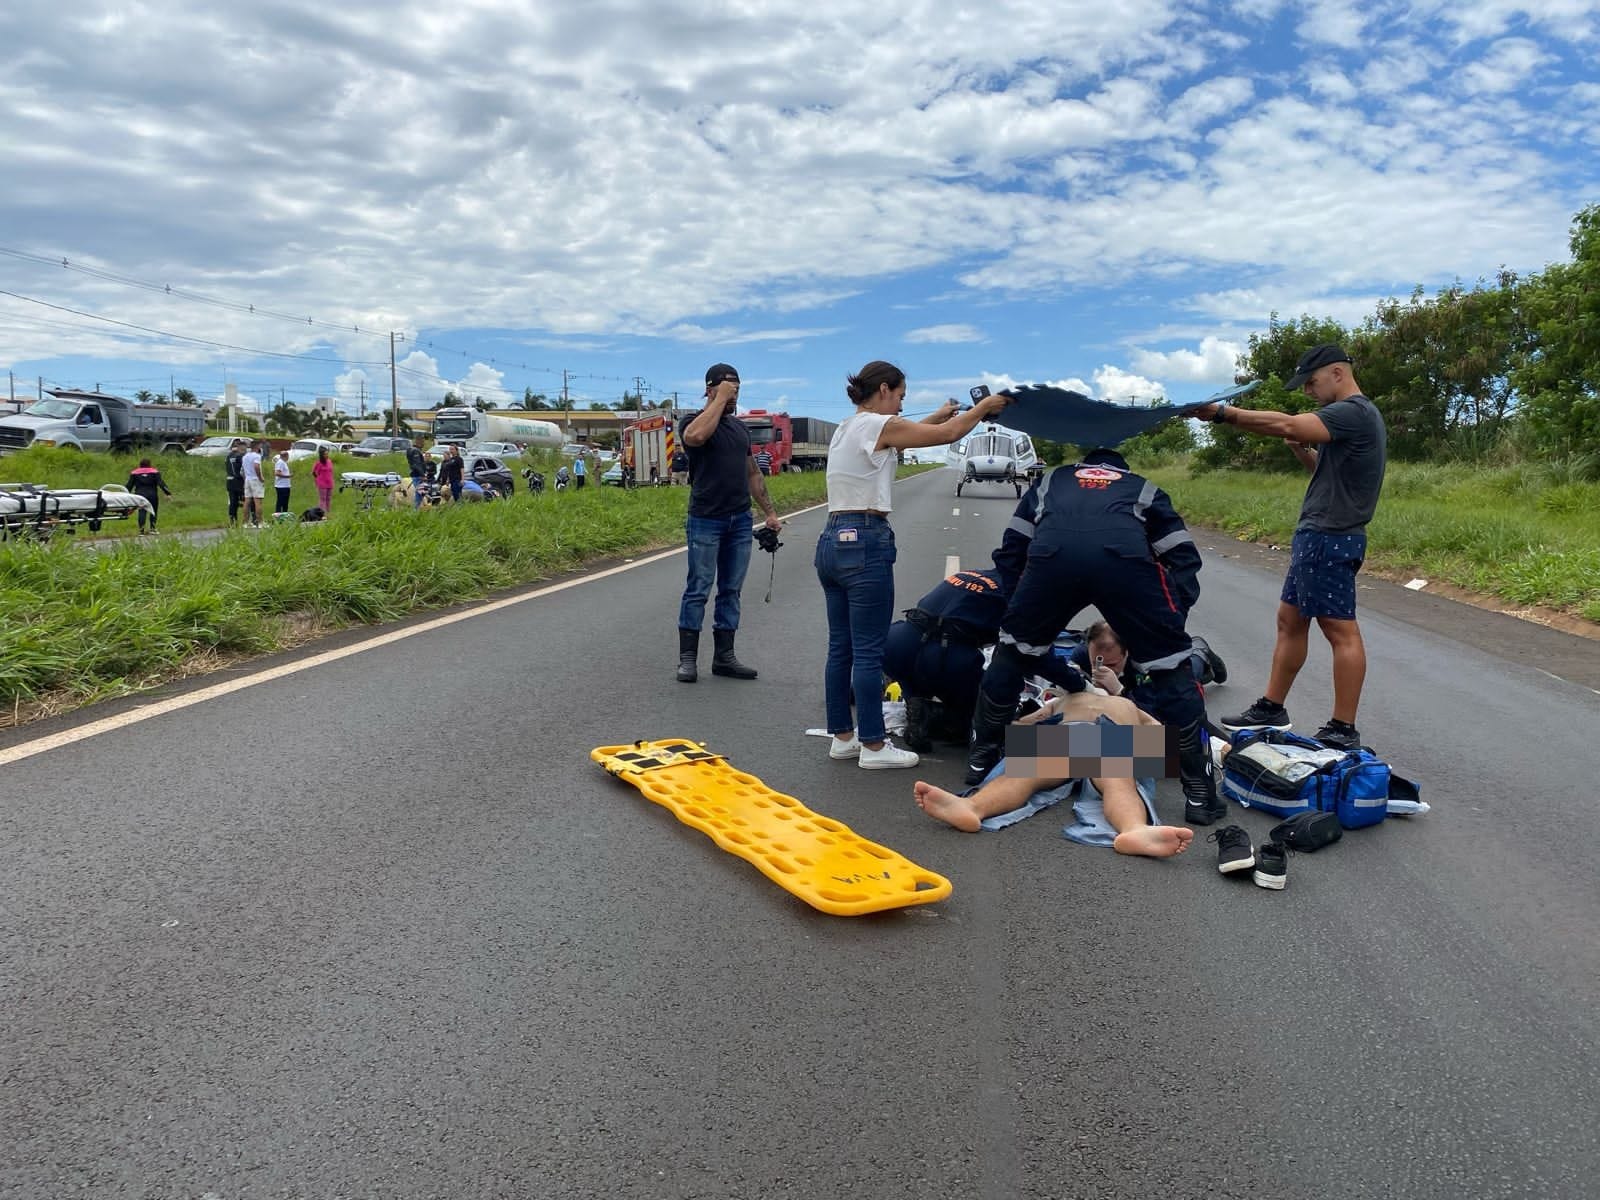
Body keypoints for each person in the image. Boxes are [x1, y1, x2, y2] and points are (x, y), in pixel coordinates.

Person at [964, 446, 1225, 826]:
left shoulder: (1051, 481)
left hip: (1053, 560)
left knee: (1011, 654)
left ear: (1082, 465)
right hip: (1124, 563)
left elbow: (1012, 550)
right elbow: (1182, 555)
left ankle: (978, 764)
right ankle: (1200, 796)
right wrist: (1172, 619)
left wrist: (1017, 608)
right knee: (1173, 672)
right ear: (1122, 469)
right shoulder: (1142, 487)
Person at [817, 360, 1011, 769]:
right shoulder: (877, 427)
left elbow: (916, 433)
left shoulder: (848, 428)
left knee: (842, 648)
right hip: (865, 538)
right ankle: (873, 746)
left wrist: (940, 413)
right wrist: (983, 408)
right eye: (901, 396)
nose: (902, 406)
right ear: (884, 389)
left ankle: (843, 737)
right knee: (869, 651)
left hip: (832, 537)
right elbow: (947, 435)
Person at [1193, 344, 1387, 750]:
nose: (1307, 392)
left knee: (1340, 631)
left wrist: (1223, 414)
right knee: (1290, 620)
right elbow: (1330, 473)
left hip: (1330, 537)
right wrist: (1303, 452)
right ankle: (1272, 708)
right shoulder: (1353, 420)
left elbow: (1289, 425)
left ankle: (1342, 728)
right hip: (1319, 534)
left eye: (1311, 382)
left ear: (1337, 373)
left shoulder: (1352, 411)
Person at [913, 692, 1196, 859]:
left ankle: (973, 806)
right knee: (1117, 779)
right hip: (1112, 736)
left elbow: (1022, 727)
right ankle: (1133, 828)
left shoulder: (1065, 698)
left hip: (1070, 734)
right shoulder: (1127, 703)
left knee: (1026, 771)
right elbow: (1162, 742)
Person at [675, 363, 782, 683]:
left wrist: (769, 512)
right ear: (709, 389)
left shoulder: (739, 429)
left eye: (736, 388)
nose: (734, 393)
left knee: (731, 589)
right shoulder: (693, 422)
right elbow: (695, 438)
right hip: (706, 518)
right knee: (698, 588)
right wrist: (719, 401)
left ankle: (724, 657)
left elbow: (752, 472)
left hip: (739, 519)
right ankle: (687, 659)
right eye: (727, 387)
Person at [1065, 621, 1227, 696]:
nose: (1103, 668)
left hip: (1148, 677)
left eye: (1112, 664)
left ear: (1126, 652)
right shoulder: (1081, 654)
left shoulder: (1143, 661)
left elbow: (1154, 704)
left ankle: (1199, 652)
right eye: (1097, 662)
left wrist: (1119, 690)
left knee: (1185, 679)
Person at [125, 458, 173, 534]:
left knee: (142, 511)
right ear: (150, 464)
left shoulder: (134, 473)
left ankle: (141, 531)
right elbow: (161, 483)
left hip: (140, 495)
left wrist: (126, 495)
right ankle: (152, 529)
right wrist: (168, 493)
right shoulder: (154, 472)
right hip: (152, 494)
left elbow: (129, 485)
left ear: (140, 465)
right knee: (153, 511)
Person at [241, 440, 266, 528]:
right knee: (257, 501)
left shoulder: (245, 456)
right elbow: (256, 466)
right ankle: (260, 522)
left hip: (247, 479)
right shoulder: (257, 456)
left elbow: (243, 470)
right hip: (255, 479)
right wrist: (260, 477)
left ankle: (245, 522)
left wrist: (245, 478)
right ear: (257, 446)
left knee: (247, 501)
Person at [224, 438, 246, 526]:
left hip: (229, 481)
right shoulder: (240, 456)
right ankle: (248, 520)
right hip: (239, 481)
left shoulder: (228, 456)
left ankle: (232, 520)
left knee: (232, 502)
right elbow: (242, 470)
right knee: (246, 501)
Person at [312, 446, 334, 515]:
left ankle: (328, 513)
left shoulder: (330, 461)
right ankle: (322, 514)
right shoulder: (318, 463)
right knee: (323, 499)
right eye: (325, 454)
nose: (326, 455)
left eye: (327, 454)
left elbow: (331, 471)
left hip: (329, 483)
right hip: (322, 483)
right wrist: (318, 479)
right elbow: (314, 472)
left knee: (328, 499)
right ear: (321, 455)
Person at [406, 442, 429, 509]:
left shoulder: (410, 450)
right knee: (420, 493)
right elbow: (417, 464)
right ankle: (416, 509)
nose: (423, 444)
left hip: (415, 474)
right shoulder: (416, 451)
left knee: (421, 491)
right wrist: (423, 475)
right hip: (418, 475)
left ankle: (418, 508)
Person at [272, 449, 293, 516]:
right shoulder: (280, 463)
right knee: (281, 502)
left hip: (285, 486)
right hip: (282, 486)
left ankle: (284, 515)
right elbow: (277, 473)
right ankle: (279, 515)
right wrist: (288, 476)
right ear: (286, 456)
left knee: (284, 502)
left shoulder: (283, 462)